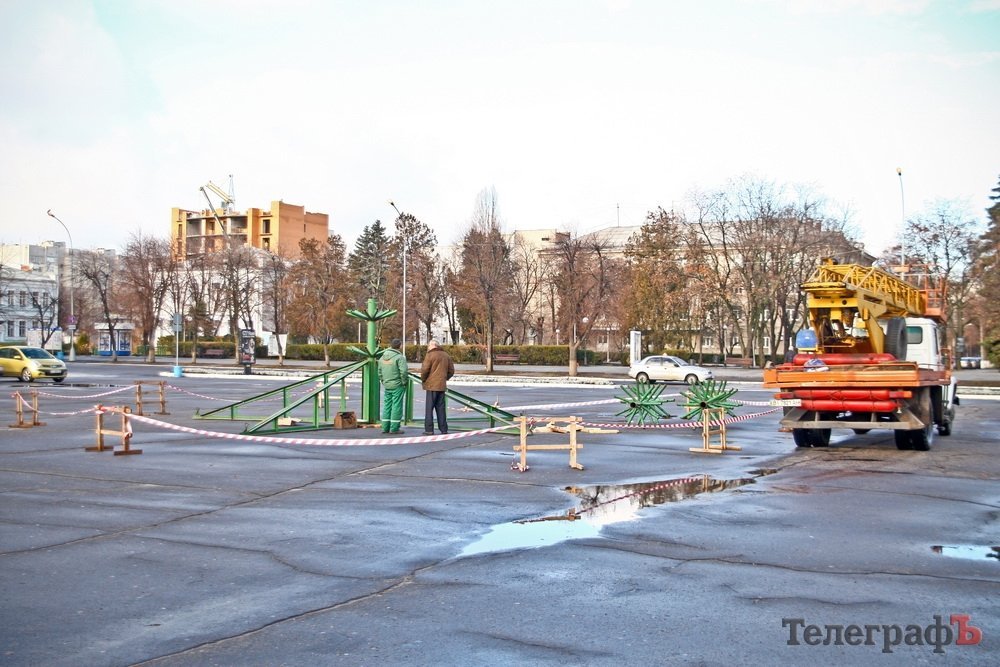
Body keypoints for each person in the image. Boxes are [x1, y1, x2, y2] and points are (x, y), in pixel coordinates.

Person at [420, 340, 454, 435]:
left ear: (432, 346)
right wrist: (445, 378)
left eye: (429, 346)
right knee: (441, 408)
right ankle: (444, 429)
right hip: (441, 386)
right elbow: (451, 370)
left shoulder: (430, 355)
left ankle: (429, 429)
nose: (428, 348)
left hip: (431, 386)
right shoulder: (446, 355)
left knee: (429, 409)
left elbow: (425, 370)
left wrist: (423, 379)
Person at [378, 338, 409, 434]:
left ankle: (385, 427)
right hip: (397, 385)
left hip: (387, 385)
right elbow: (403, 372)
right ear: (399, 346)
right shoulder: (399, 358)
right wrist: (404, 382)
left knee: (387, 405)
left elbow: (379, 372)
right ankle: (394, 428)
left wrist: (384, 381)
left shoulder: (382, 357)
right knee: (396, 406)